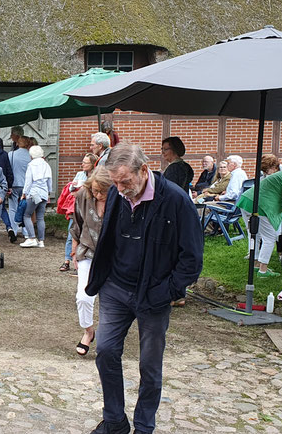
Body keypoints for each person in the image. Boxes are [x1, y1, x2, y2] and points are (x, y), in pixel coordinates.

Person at [86, 144, 203, 434]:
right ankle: (114, 420)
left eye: (125, 181)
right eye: (115, 182)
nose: (120, 187)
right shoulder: (116, 192)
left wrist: (168, 291)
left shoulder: (175, 200)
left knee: (149, 366)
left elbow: (192, 258)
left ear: (143, 169)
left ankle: (144, 426)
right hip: (116, 287)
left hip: (154, 294)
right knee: (105, 351)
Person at [69, 168, 111, 357]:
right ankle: (88, 331)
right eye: (96, 190)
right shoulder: (83, 196)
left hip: (112, 255)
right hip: (87, 249)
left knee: (111, 300)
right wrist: (74, 251)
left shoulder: (119, 199)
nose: (98, 195)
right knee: (83, 297)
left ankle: (108, 336)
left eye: (103, 191)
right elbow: (77, 223)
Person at [61, 153, 96, 272]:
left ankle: (81, 261)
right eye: (83, 162)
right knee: (72, 233)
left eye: (85, 163)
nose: (82, 164)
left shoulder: (96, 175)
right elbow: (72, 190)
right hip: (77, 207)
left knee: (85, 236)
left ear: (92, 164)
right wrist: (73, 187)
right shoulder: (79, 174)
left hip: (90, 209)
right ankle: (67, 261)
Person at [20, 145, 52, 248]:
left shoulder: (31, 165)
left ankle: (31, 238)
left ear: (31, 155)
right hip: (43, 193)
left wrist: (24, 193)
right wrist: (48, 192)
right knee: (40, 217)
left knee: (27, 215)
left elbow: (28, 181)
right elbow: (49, 181)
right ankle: (41, 241)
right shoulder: (46, 165)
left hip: (34, 192)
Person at [7, 136, 32, 241]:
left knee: (13, 207)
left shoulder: (11, 154)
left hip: (14, 183)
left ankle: (14, 229)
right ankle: (26, 232)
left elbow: (8, 169)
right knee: (26, 208)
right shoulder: (31, 156)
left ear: (17, 143)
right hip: (26, 184)